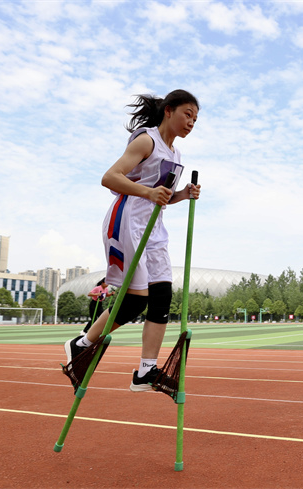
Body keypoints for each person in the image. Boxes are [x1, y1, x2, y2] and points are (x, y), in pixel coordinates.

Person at [64, 89, 201, 392]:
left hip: (154, 229)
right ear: (168, 111)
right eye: (187, 114)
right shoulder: (146, 140)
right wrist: (150, 193)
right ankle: (83, 343)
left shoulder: (176, 154)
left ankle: (146, 371)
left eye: (195, 118)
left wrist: (182, 194)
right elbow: (110, 177)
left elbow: (159, 197)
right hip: (127, 223)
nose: (191, 122)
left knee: (162, 295)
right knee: (136, 299)